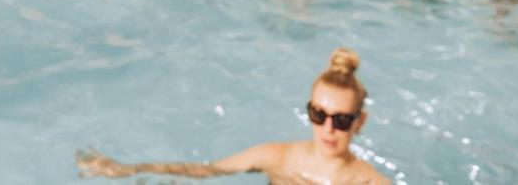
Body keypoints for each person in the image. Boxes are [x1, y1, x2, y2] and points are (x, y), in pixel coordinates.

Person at [77, 48, 386, 184]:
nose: (328, 129)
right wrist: (127, 170)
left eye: (342, 120)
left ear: (360, 122)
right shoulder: (277, 157)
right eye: (319, 115)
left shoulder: (369, 182)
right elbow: (206, 171)